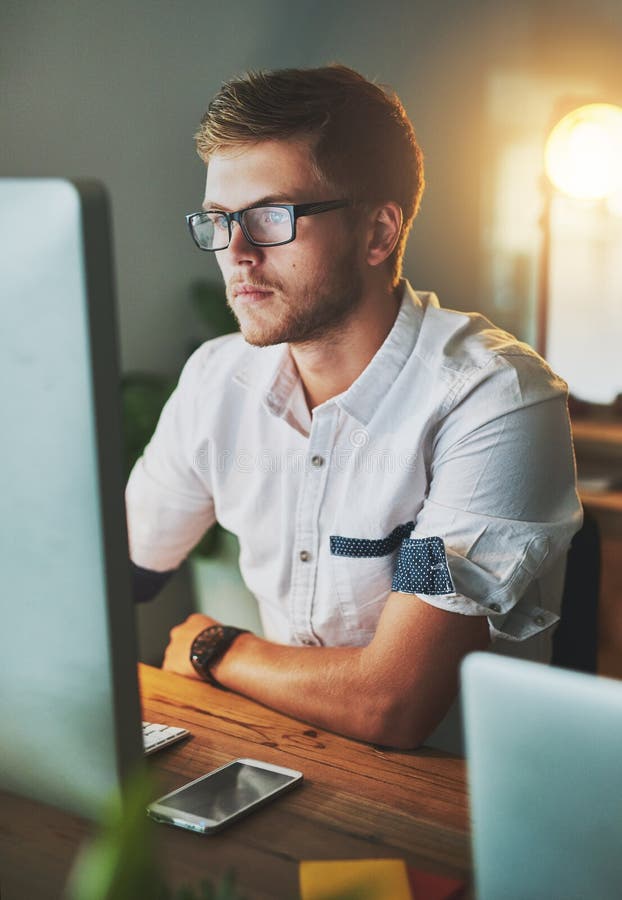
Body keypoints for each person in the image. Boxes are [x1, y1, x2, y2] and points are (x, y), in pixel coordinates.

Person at [126, 64, 582, 752]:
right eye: (219, 220)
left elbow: (391, 703)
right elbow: (122, 574)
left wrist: (217, 647)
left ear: (377, 233)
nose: (236, 253)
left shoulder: (492, 398)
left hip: (457, 794)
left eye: (271, 217)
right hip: (292, 760)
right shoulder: (218, 380)